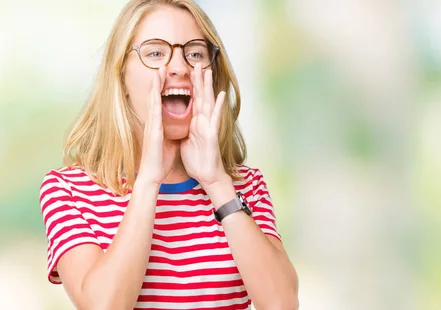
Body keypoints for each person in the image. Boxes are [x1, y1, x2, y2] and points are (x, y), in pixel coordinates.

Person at [38, 0, 299, 309]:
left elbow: (282, 303)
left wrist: (217, 184)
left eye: (195, 53)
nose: (179, 67)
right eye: (155, 53)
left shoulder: (245, 186)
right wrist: (148, 181)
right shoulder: (68, 190)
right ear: (120, 77)